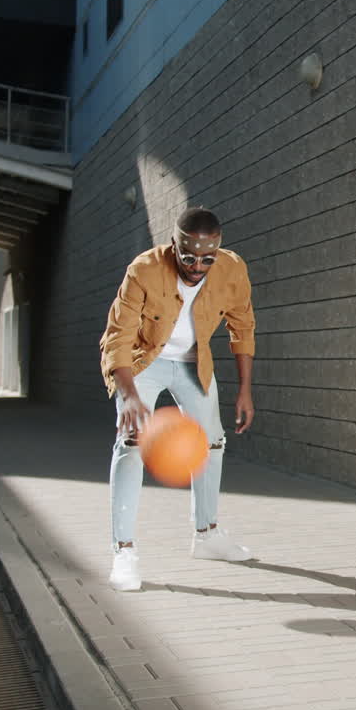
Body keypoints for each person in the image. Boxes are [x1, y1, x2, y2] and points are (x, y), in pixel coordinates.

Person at [98, 206, 256, 591]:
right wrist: (130, 396)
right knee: (132, 442)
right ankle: (124, 551)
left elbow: (243, 326)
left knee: (213, 441)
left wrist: (245, 389)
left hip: (193, 364)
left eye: (207, 258)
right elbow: (117, 337)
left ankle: (207, 535)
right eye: (189, 257)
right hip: (144, 362)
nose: (198, 266)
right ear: (175, 245)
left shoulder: (232, 268)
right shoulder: (145, 268)